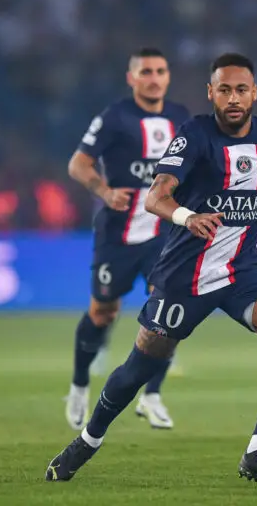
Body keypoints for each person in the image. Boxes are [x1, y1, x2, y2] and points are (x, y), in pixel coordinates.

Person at [45, 52, 257, 484]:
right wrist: (188, 217)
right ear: (211, 93)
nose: (233, 98)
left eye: (241, 90)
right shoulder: (194, 135)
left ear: (254, 93)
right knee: (138, 369)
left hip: (242, 271)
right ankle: (87, 441)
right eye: (224, 90)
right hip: (185, 275)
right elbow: (155, 196)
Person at [64, 47, 190, 431]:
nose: (154, 78)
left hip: (163, 235)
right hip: (117, 235)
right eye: (146, 71)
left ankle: (152, 395)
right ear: (131, 77)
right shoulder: (114, 117)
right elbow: (78, 164)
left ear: (168, 76)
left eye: (160, 71)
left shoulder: (181, 118)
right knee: (103, 312)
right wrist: (104, 192)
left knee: (167, 311)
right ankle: (79, 385)